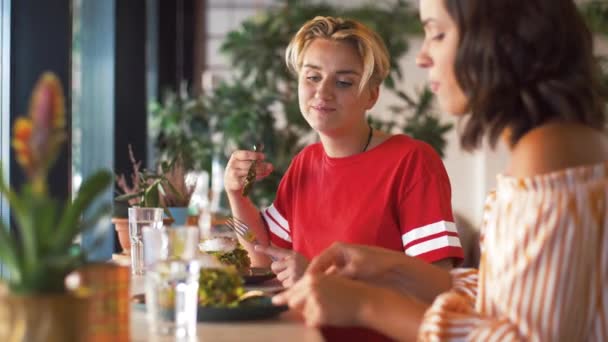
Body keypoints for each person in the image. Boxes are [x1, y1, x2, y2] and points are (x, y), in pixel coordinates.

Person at [273, 0, 608, 341]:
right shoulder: (562, 143)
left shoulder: (546, 155)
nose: (422, 57)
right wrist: (392, 268)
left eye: (437, 34)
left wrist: (365, 303)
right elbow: (507, 295)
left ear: (497, 38)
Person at [224, 15, 464, 341]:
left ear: (372, 95)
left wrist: (316, 275)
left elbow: (437, 292)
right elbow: (263, 261)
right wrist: (237, 196)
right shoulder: (304, 163)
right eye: (312, 76)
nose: (322, 92)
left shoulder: (412, 162)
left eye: (344, 82)